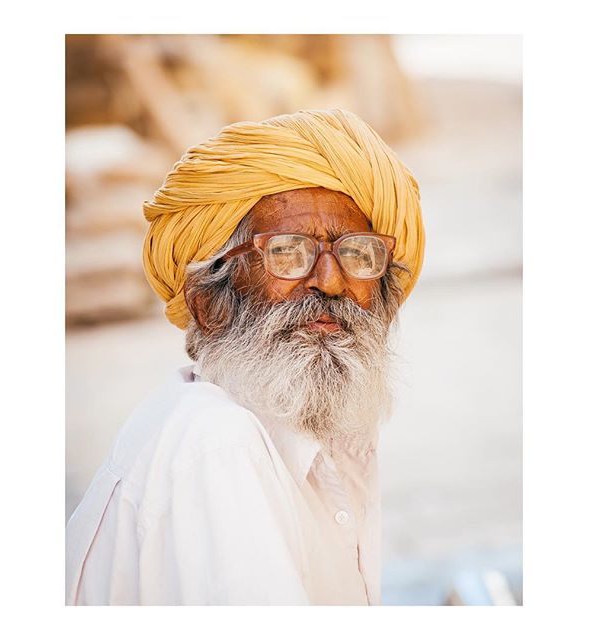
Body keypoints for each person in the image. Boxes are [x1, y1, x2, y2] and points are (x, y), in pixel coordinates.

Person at [65, 108, 425, 605]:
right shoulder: (218, 445)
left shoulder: (314, 440)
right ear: (209, 303)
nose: (332, 280)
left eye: (357, 253)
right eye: (286, 252)